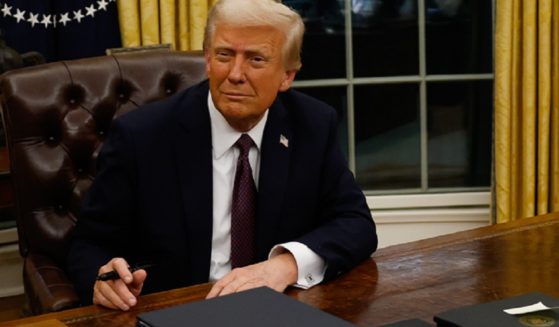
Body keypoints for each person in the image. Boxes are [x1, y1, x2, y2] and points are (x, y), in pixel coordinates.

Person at [67, 0, 377, 311]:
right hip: (176, 310)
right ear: (207, 60)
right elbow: (88, 243)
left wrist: (285, 265)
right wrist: (102, 280)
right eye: (224, 55)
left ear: (287, 76)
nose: (235, 74)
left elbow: (356, 224)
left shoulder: (312, 124)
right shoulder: (142, 136)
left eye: (256, 59)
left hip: (278, 308)